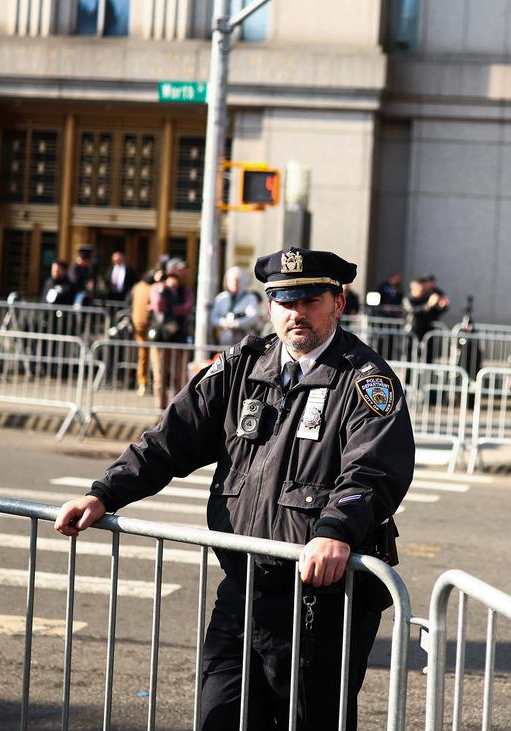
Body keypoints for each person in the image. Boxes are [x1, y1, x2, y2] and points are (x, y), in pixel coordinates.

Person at [54, 247, 415, 731]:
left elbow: (373, 472)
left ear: (338, 302)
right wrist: (104, 493)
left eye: (309, 300)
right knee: (219, 716)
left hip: (320, 603)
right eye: (284, 301)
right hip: (242, 589)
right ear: (269, 305)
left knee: (310, 722)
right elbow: (169, 439)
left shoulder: (364, 380)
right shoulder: (244, 367)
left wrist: (336, 530)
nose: (296, 313)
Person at [148, 258, 195, 409]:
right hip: (161, 338)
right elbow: (158, 306)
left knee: (180, 379)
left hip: (179, 338)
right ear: (171, 272)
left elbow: (187, 307)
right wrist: (163, 289)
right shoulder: (157, 288)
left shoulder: (185, 290)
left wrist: (172, 308)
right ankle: (160, 412)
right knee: (160, 378)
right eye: (181, 270)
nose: (184, 274)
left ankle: (178, 411)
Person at [209, 266, 266, 347]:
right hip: (224, 342)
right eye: (231, 280)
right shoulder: (221, 298)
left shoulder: (250, 298)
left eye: (237, 280)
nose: (234, 283)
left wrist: (237, 324)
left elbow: (252, 317)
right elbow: (213, 317)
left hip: (244, 342)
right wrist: (224, 323)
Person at [129, 269, 160, 396]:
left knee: (144, 355)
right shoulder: (152, 288)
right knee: (149, 356)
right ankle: (146, 382)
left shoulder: (137, 287)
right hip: (148, 325)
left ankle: (144, 382)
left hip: (139, 324)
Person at [403, 276, 449, 343]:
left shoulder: (425, 298)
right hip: (412, 331)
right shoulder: (407, 299)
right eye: (419, 288)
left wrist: (443, 306)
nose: (422, 290)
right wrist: (428, 305)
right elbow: (413, 311)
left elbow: (434, 312)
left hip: (426, 331)